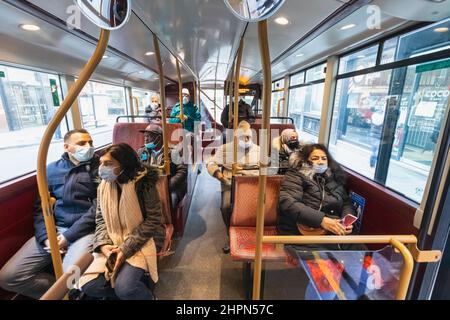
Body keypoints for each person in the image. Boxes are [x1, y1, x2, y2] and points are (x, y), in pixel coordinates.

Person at [0, 129, 99, 299]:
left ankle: (68, 290)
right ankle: (63, 292)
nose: (88, 147)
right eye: (82, 143)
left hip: (84, 231)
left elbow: (100, 208)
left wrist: (68, 236)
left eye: (90, 142)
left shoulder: (100, 168)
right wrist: (46, 237)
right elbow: (41, 210)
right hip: (55, 230)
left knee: (70, 278)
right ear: (67, 147)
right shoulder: (50, 170)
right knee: (9, 277)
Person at [80, 143, 166, 300]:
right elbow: (101, 219)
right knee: (89, 285)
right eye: (101, 163)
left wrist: (125, 249)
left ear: (124, 165)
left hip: (144, 238)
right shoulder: (103, 187)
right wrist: (103, 245)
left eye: (109, 164)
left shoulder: (143, 183)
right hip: (113, 239)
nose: (102, 168)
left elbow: (153, 220)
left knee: (126, 288)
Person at [278, 143, 364, 299]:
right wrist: (322, 220)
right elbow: (288, 202)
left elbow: (345, 202)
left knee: (361, 272)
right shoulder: (296, 175)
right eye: (315, 158)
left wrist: (346, 220)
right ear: (305, 160)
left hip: (337, 233)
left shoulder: (334, 178)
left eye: (324, 158)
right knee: (327, 282)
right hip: (305, 234)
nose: (320, 161)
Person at [207, 121, 260, 253]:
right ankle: (229, 233)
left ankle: (254, 233)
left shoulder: (259, 150)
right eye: (243, 137)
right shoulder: (225, 149)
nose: (246, 140)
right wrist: (220, 176)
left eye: (248, 137)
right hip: (230, 182)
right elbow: (211, 163)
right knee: (226, 207)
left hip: (252, 183)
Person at [137, 124, 187, 210]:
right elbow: (136, 169)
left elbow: (182, 171)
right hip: (149, 187)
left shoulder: (173, 152)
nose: (145, 139)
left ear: (159, 138)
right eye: (145, 136)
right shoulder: (141, 152)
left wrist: (167, 186)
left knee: (171, 200)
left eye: (149, 136)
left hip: (170, 187)